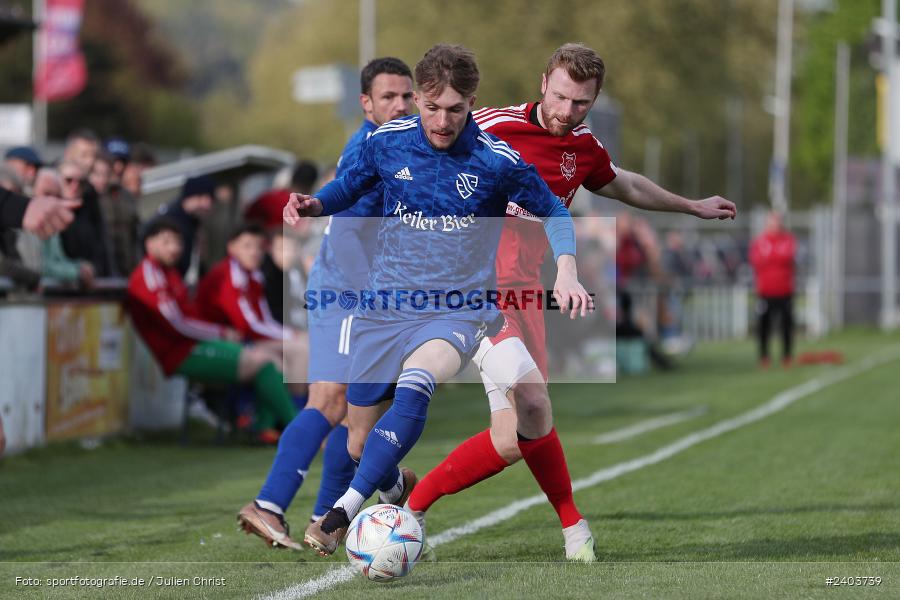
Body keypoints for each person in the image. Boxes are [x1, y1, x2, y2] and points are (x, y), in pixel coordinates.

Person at [405, 43, 736, 562]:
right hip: (473, 292)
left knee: (513, 437)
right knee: (535, 402)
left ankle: (411, 506)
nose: (566, 111)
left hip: (523, 295)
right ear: (543, 84)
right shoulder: (490, 126)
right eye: (559, 97)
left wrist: (690, 206)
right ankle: (574, 528)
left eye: (580, 102)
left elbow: (624, 184)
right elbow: (420, 148)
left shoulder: (582, 147)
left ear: (594, 100)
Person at [286, 44, 592, 558]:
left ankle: (342, 511)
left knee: (420, 384)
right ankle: (395, 489)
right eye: (432, 108)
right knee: (359, 442)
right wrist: (315, 204)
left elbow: (555, 213)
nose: (443, 121)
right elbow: (350, 186)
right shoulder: (387, 141)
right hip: (387, 306)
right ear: (419, 100)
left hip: (458, 308)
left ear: (472, 101)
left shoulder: (496, 160)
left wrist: (566, 269)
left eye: (455, 109)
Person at [237, 56, 415, 550]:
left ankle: (326, 513)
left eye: (407, 95)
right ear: (366, 103)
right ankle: (269, 504)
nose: (401, 105)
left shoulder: (395, 143)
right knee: (331, 401)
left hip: (354, 292)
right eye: (388, 97)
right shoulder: (369, 148)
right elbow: (350, 235)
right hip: (348, 294)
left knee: (356, 408)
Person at [127, 218, 298, 442]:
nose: (174, 248)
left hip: (194, 344)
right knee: (267, 360)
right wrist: (220, 333)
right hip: (182, 353)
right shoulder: (151, 275)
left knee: (275, 359)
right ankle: (298, 428)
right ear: (149, 243)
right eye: (166, 242)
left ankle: (266, 428)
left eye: (177, 242)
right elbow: (176, 323)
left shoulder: (169, 271)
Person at [195, 222, 309, 392]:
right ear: (232, 247)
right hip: (218, 341)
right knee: (298, 352)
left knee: (305, 344)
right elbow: (247, 325)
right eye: (247, 246)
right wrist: (290, 335)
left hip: (243, 337)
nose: (254, 252)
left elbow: (264, 318)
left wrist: (290, 334)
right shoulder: (227, 275)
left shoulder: (253, 275)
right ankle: (298, 405)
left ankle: (299, 405)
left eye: (258, 247)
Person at [749, 210, 795, 368]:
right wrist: (776, 258)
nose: (776, 225)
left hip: (785, 290)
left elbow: (788, 257)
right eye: (772, 222)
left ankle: (787, 356)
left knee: (786, 325)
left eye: (778, 221)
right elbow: (757, 261)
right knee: (764, 326)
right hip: (765, 291)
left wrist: (770, 258)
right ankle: (764, 356)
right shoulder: (760, 241)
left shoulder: (788, 239)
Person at [151, 175, 215, 279]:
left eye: (210, 199)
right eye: (202, 198)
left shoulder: (193, 220)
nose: (207, 204)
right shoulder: (170, 219)